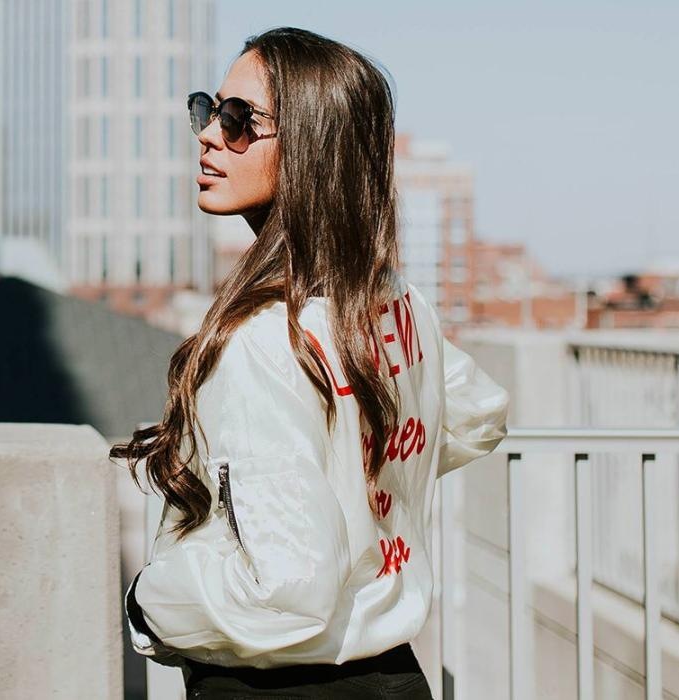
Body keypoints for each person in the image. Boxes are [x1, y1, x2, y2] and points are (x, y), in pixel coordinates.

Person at [110, 27, 511, 698]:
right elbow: (475, 413)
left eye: (239, 121)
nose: (209, 134)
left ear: (311, 150)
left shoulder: (265, 339)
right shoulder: (390, 302)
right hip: (393, 676)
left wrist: (151, 601)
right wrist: (358, 473)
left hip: (277, 684)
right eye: (209, 110)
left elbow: (285, 595)